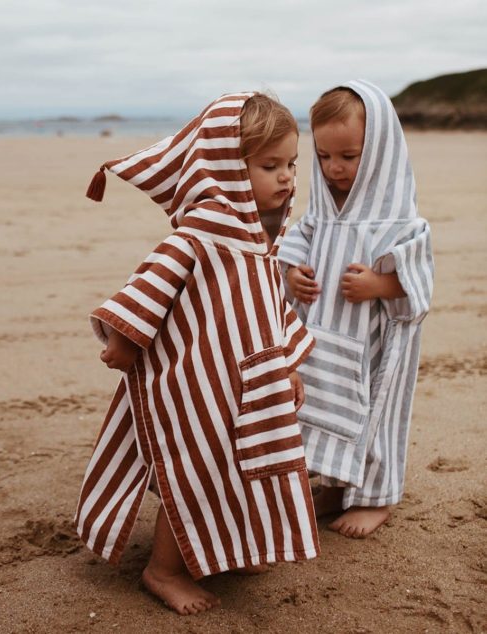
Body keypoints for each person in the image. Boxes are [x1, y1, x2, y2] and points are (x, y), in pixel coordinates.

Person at [75, 93, 320, 615]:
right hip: (197, 384)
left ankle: (230, 548)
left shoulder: (260, 242)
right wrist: (123, 341)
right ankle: (162, 570)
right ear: (227, 168)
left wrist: (288, 365)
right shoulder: (199, 236)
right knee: (196, 470)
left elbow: (270, 308)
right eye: (269, 165)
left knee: (247, 467)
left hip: (251, 386)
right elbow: (150, 285)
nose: (286, 177)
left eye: (292, 164)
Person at [278, 80, 434, 539]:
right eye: (324, 156)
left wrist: (381, 283)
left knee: (375, 415)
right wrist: (293, 275)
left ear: (380, 149)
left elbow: (420, 277)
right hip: (325, 335)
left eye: (349, 156)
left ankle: (376, 497)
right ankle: (331, 485)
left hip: (377, 343)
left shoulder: (399, 217)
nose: (335, 168)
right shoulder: (323, 209)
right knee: (321, 407)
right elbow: (296, 241)